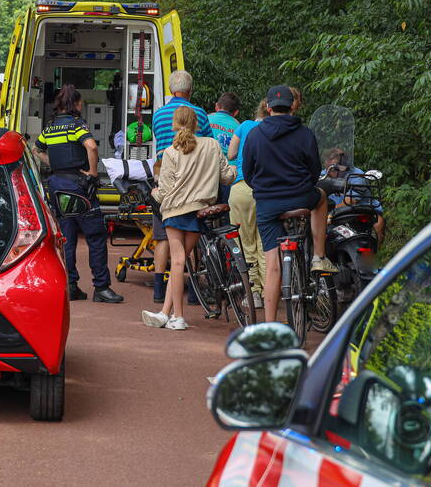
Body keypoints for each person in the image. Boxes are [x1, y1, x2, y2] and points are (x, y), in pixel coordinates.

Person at [243, 85, 335, 323]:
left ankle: (270, 324)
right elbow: (315, 170)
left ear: (269, 107)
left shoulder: (254, 134)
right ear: (292, 106)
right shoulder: (305, 133)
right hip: (300, 197)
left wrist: (264, 191)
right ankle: (318, 255)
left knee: (272, 266)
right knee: (322, 197)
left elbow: (248, 173)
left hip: (267, 204)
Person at [143, 107, 235, 330]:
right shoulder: (212, 145)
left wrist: (154, 194)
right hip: (200, 211)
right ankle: (165, 312)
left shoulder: (170, 152)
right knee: (181, 260)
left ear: (174, 124)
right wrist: (233, 169)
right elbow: (226, 177)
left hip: (175, 211)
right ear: (197, 124)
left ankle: (178, 317)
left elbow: (164, 190)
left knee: (176, 262)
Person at [34, 84, 123, 303]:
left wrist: (54, 164)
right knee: (95, 236)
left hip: (57, 185)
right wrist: (92, 173)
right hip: (78, 187)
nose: (82, 105)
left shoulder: (50, 127)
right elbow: (91, 147)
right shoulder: (76, 125)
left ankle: (71, 285)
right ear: (75, 103)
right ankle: (101, 288)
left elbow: (36, 149)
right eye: (81, 101)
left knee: (68, 237)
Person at [149, 69, 213, 303]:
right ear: (190, 90)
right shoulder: (200, 114)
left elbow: (160, 144)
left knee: (162, 237)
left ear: (170, 89)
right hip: (193, 181)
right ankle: (194, 291)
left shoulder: (158, 115)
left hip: (165, 176)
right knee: (191, 240)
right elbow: (206, 142)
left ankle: (158, 289)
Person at [226, 98, 267, 308]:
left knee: (246, 242)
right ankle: (271, 291)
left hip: (242, 186)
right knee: (265, 243)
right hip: (266, 190)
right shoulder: (273, 129)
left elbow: (231, 153)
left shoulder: (244, 126)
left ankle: (254, 293)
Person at [321, 148, 385, 248]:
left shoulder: (357, 175)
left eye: (337, 165)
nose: (332, 168)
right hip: (330, 213)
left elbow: (351, 201)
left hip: (358, 210)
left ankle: (376, 253)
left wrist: (330, 215)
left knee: (378, 223)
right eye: (329, 164)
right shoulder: (321, 175)